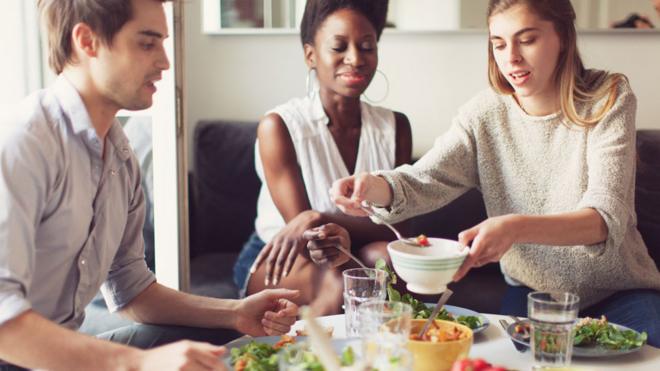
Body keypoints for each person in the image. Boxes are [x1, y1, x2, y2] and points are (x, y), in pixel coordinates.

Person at [330, 0, 660, 347]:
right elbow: (423, 180)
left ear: (562, 36)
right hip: (535, 296)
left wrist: (514, 227)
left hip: (622, 295)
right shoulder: (483, 115)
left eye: (527, 40)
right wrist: (372, 187)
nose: (511, 58)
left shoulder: (608, 98)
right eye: (499, 44)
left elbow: (604, 220)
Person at [0, 1, 299, 370]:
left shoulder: (121, 156)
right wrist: (137, 363)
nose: (165, 62)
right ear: (87, 41)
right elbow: (4, 324)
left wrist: (235, 312)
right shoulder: (22, 142)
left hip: (67, 350)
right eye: (147, 44)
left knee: (220, 344)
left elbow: (132, 291)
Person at [233, 0, 412, 315]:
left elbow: (396, 226)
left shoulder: (395, 126)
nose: (355, 59)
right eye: (339, 47)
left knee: (387, 260)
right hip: (284, 256)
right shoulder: (279, 126)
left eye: (367, 46)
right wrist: (314, 222)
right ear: (310, 55)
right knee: (343, 278)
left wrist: (319, 216)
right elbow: (307, 236)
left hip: (355, 250)